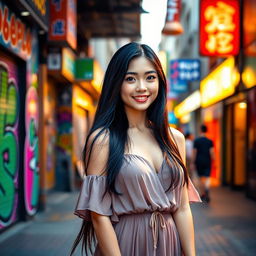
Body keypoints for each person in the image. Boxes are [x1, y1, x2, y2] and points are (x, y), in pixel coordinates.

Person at [71, 42, 201, 256]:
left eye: (150, 77)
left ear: (160, 81)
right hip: (125, 244)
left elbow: (182, 208)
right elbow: (99, 216)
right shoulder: (103, 140)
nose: (142, 87)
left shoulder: (174, 138)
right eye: (130, 79)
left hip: (170, 245)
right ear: (116, 83)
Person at [192, 124, 215, 203]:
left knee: (200, 178)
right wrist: (214, 161)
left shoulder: (196, 141)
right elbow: (212, 152)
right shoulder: (210, 141)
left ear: (200, 130)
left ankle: (203, 193)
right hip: (207, 161)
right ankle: (207, 189)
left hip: (199, 161)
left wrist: (193, 162)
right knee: (207, 177)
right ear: (206, 130)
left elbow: (194, 152)